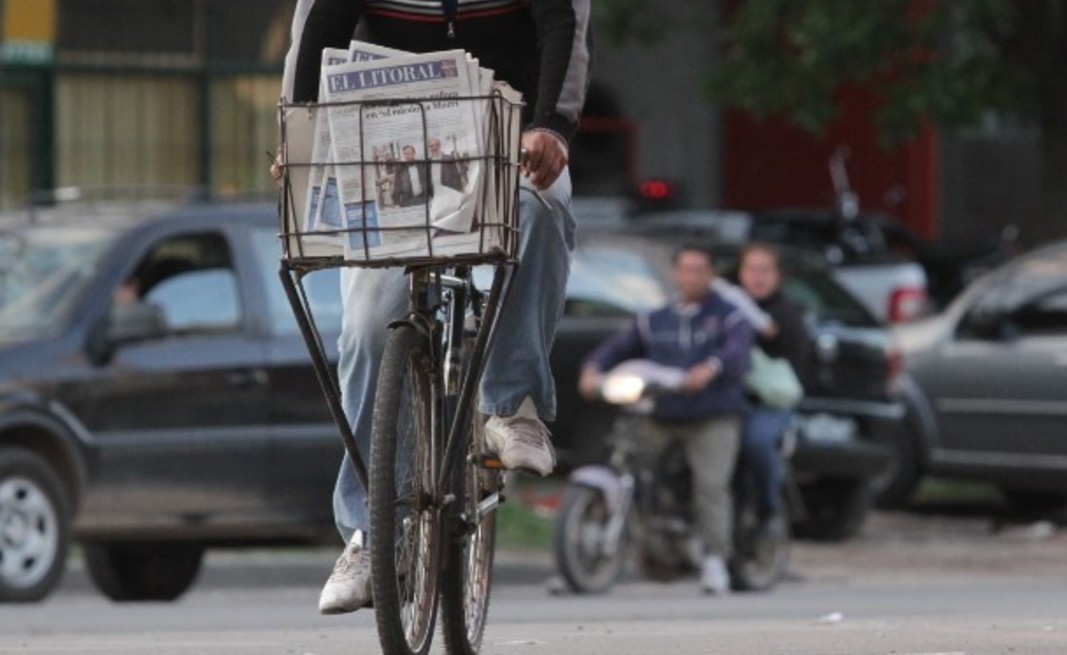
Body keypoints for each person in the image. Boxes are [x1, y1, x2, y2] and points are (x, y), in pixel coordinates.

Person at [278, 0, 591, 615]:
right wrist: (299, 139)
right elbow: (316, 32)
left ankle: (513, 406)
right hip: (385, 147)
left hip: (509, 140)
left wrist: (553, 125)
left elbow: (565, 28)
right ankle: (370, 536)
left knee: (540, 210)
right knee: (369, 331)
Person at [579, 245, 754, 595]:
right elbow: (619, 346)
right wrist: (593, 368)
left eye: (699, 269)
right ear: (675, 274)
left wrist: (710, 369)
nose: (691, 276)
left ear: (712, 274)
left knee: (710, 487)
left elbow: (736, 353)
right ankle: (637, 537)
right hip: (661, 412)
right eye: (685, 269)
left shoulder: (730, 316)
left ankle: (715, 560)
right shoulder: (654, 319)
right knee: (627, 462)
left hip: (712, 415)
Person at [731, 243, 812, 534]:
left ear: (778, 275)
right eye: (752, 269)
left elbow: (796, 371)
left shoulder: (788, 315)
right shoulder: (728, 309)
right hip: (728, 400)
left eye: (765, 270)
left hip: (772, 402)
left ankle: (769, 510)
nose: (758, 276)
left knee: (757, 441)